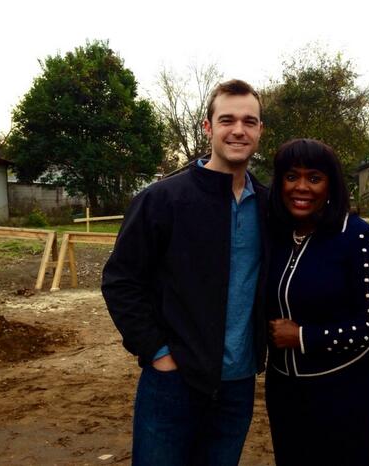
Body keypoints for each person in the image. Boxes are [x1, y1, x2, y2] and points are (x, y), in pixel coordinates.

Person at [101, 79, 269, 466]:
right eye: (227, 119)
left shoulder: (267, 205)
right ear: (207, 127)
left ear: (260, 131)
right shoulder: (162, 200)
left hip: (238, 384)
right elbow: (121, 281)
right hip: (173, 380)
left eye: (250, 121)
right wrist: (157, 351)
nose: (239, 130)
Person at [265, 138, 369, 466]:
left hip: (340, 390)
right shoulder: (275, 236)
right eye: (291, 176)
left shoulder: (357, 237)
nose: (302, 187)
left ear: (331, 185)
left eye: (314, 178)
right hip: (283, 389)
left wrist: (304, 337)